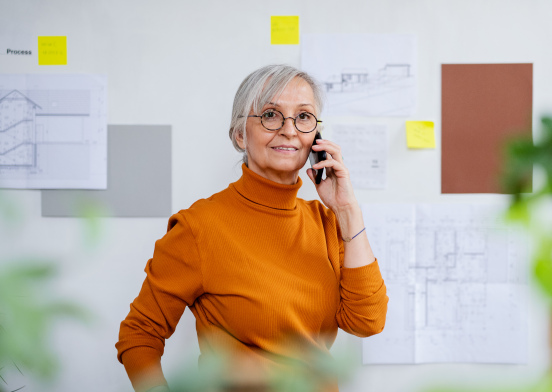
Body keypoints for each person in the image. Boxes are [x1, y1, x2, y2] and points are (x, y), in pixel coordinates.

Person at [116, 64, 388, 392]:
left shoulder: (326, 221)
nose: (289, 130)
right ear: (240, 134)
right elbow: (139, 335)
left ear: (316, 138)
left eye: (303, 117)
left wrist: (347, 211)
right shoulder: (198, 227)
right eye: (271, 114)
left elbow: (367, 322)